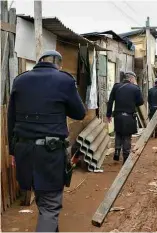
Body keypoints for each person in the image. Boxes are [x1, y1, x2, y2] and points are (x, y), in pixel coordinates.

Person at [7, 50, 86, 232]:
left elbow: (11, 119)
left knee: (43, 200)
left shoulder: (20, 80)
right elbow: (80, 113)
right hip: (50, 154)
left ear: (39, 62)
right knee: (50, 205)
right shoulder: (64, 80)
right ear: (58, 64)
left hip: (24, 151)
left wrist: (12, 152)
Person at [107, 71, 144, 164]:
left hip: (118, 115)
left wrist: (108, 114)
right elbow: (140, 102)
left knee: (118, 133)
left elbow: (110, 101)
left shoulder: (116, 86)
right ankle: (126, 157)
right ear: (131, 78)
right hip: (129, 116)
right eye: (134, 79)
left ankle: (116, 151)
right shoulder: (135, 88)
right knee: (127, 136)